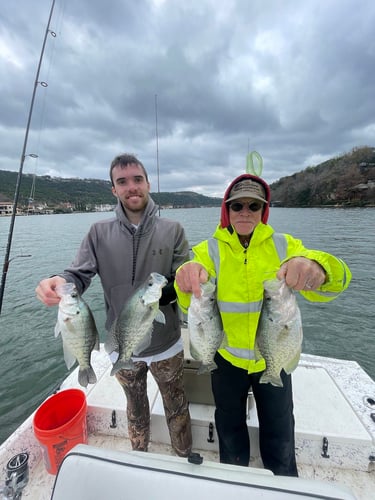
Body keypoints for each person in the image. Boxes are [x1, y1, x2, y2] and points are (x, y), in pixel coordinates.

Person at [174, 173, 351, 475]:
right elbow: (187, 299)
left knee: (280, 427)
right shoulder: (209, 250)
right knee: (229, 425)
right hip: (227, 358)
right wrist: (186, 274)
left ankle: (283, 482)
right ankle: (235, 477)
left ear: (263, 210)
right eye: (237, 206)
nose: (244, 212)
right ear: (226, 210)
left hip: (273, 357)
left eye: (253, 206)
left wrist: (318, 269)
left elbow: (337, 282)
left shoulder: (285, 245)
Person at [35, 153, 192, 457]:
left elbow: (182, 278)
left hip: (166, 340)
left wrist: (163, 294)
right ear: (114, 190)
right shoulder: (98, 233)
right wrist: (57, 281)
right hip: (121, 343)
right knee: (134, 407)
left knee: (177, 404)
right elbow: (76, 275)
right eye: (122, 182)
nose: (131, 187)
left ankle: (184, 459)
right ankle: (139, 458)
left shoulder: (173, 229)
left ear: (148, 183)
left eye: (137, 179)